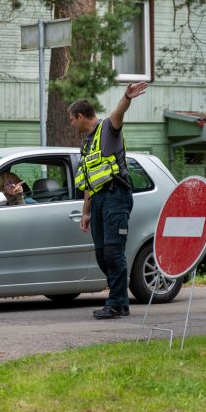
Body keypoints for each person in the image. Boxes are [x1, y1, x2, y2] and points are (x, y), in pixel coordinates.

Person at [70, 81, 148, 319]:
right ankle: (121, 304)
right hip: (99, 199)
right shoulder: (87, 144)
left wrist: (127, 96)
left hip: (116, 196)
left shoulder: (108, 128)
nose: (71, 124)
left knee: (114, 253)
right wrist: (85, 212)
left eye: (72, 119)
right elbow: (88, 180)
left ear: (81, 116)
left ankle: (115, 304)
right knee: (103, 254)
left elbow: (118, 112)